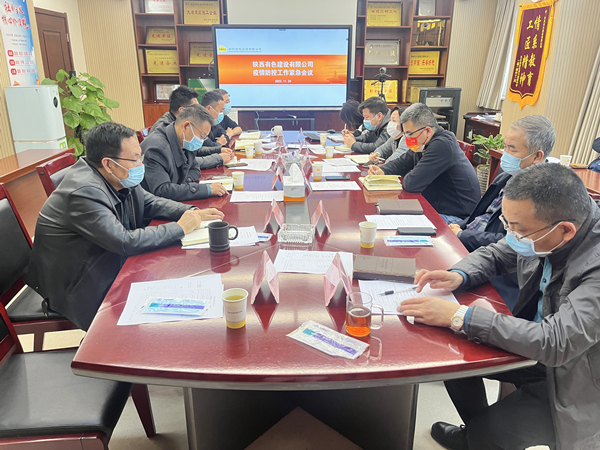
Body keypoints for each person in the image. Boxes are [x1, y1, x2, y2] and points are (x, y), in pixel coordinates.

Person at [398, 163, 600, 450]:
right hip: (538, 346)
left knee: (492, 431)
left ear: (565, 231)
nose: (512, 235)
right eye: (508, 225)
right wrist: (459, 274)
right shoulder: (546, 229)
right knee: (452, 362)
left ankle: (480, 436)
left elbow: (556, 342)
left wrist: (461, 316)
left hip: (578, 377)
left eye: (519, 230)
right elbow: (498, 253)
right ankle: (475, 436)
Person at [24, 122, 225, 331]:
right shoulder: (84, 192)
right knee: (156, 320)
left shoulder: (118, 175)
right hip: (77, 282)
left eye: (140, 156)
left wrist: (190, 212)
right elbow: (124, 241)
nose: (141, 164)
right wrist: (180, 227)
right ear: (108, 164)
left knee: (171, 275)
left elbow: (150, 201)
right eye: (135, 158)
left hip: (103, 259)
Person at [450, 115, 555, 252]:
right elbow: (480, 215)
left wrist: (462, 235)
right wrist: (457, 227)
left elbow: (510, 243)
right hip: (469, 236)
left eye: (512, 149)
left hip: (484, 250)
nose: (505, 154)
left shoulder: (539, 196)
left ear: (537, 156)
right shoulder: (507, 176)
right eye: (505, 146)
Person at [369, 103, 480, 222]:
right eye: (405, 133)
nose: (406, 138)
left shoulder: (442, 145)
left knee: (395, 222)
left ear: (427, 130)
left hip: (456, 216)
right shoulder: (423, 143)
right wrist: (383, 170)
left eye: (409, 133)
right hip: (436, 205)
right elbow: (402, 162)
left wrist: (409, 173)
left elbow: (412, 183)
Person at [141, 105, 229, 201]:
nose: (201, 141)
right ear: (186, 126)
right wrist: (205, 189)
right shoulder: (157, 148)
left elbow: (195, 170)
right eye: (201, 136)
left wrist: (179, 185)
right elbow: (162, 190)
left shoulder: (185, 140)